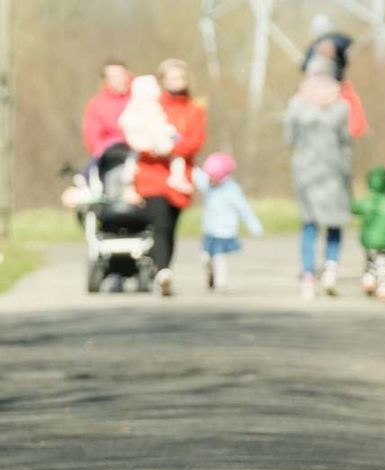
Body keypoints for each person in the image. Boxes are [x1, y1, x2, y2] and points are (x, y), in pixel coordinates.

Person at [132, 59, 206, 297]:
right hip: (152, 175)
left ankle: (162, 269)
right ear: (163, 80)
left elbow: (195, 141)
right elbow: (137, 132)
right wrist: (152, 148)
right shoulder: (150, 106)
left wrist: (171, 150)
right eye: (172, 78)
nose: (176, 83)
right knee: (160, 222)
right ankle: (162, 269)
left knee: (171, 226)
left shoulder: (194, 110)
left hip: (179, 177)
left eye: (180, 78)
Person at [284, 55, 352, 299]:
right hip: (322, 173)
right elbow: (345, 144)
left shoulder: (300, 106)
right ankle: (323, 271)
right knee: (326, 224)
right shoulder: (339, 106)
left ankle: (313, 275)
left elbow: (289, 139)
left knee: (313, 225)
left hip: (316, 173)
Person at [193, 152, 263, 292]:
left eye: (213, 176)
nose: (210, 179)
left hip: (224, 232)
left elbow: (243, 209)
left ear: (221, 176)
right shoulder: (208, 187)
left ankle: (220, 283)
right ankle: (210, 273)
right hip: (209, 231)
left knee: (220, 258)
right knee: (205, 258)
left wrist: (254, 225)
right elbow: (196, 176)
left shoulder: (232, 190)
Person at [351, 166, 385, 300]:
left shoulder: (367, 201)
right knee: (384, 263)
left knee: (370, 260)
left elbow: (355, 209)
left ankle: (369, 279)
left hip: (370, 240)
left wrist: (350, 197)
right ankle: (384, 287)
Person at [81, 60, 132, 159]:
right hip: (114, 155)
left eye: (121, 75)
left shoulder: (141, 95)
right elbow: (92, 137)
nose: (118, 80)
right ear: (105, 81)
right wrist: (103, 153)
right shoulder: (97, 105)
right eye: (113, 77)